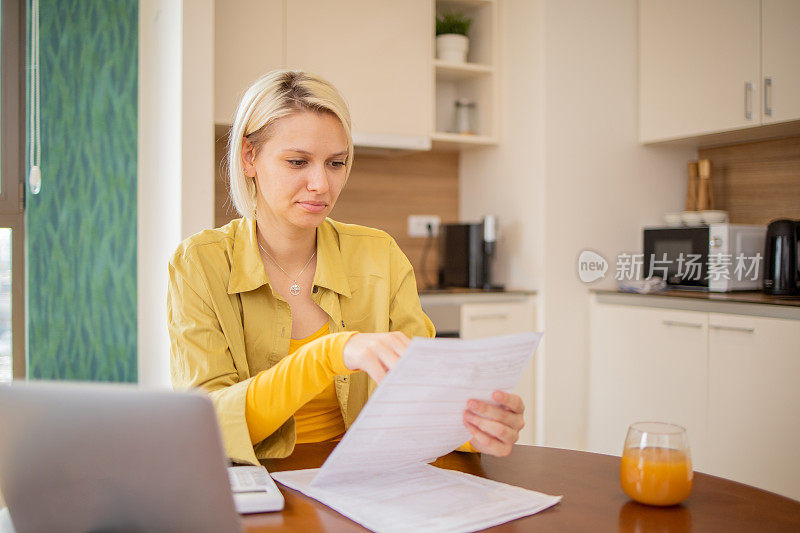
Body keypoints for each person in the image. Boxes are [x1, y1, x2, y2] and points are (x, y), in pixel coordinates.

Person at [167, 70, 526, 466]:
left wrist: (478, 428)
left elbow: (420, 395)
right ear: (249, 157)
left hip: (360, 481)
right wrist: (329, 353)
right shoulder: (199, 264)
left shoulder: (379, 255)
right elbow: (208, 423)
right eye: (298, 161)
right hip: (258, 487)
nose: (320, 184)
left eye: (336, 163)